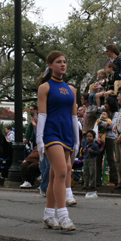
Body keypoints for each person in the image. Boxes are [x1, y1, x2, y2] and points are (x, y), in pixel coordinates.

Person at [36, 50, 78, 231]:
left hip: (67, 134)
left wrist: (77, 140)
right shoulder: (45, 87)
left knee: (55, 176)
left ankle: (48, 214)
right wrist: (39, 139)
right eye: (59, 62)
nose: (63, 64)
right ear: (50, 65)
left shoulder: (72, 89)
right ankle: (63, 215)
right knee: (62, 172)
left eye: (65, 61)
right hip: (51, 133)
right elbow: (42, 114)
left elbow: (74, 117)